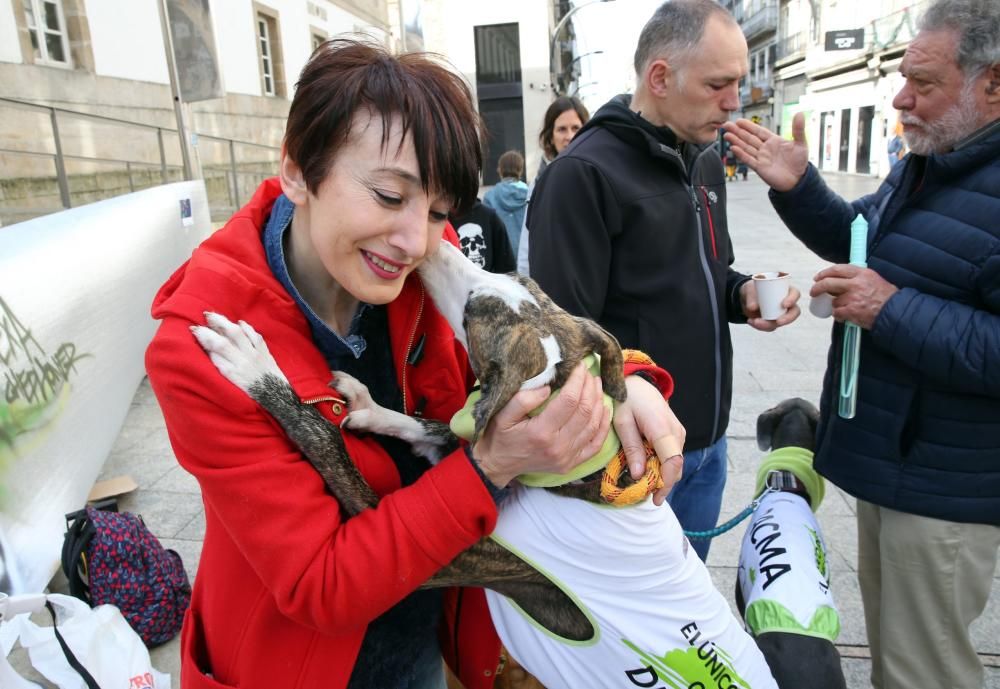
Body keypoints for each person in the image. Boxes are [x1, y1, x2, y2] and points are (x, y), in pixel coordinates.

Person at [144, 39, 684, 689]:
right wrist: (492, 465)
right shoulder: (200, 346)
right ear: (296, 171)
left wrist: (624, 383)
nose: (415, 241)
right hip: (300, 663)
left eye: (436, 210)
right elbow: (323, 585)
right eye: (387, 194)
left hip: (435, 636)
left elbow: (531, 331)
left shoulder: (419, 247)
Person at [723, 0, 1000, 686]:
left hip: (944, 488)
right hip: (896, 467)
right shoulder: (932, 162)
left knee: (922, 672)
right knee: (897, 665)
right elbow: (864, 240)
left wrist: (890, 308)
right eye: (904, 78)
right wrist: (800, 187)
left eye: (924, 84)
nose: (902, 99)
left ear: (993, 84)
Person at [527, 0, 801, 562]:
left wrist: (740, 292)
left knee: (682, 624)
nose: (734, 101)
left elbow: (703, 271)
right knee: (636, 635)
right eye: (718, 84)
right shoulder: (581, 174)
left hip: (710, 443)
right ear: (660, 77)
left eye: (739, 83)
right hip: (635, 457)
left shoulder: (701, 160)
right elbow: (564, 335)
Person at [516, 96, 590, 275]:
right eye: (562, 129)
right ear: (550, 137)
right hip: (554, 281)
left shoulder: (598, 176)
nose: (570, 136)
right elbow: (528, 240)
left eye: (576, 128)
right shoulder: (540, 182)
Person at [449, 199, 516, 273]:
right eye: (465, 241)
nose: (473, 248)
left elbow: (507, 267)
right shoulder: (441, 219)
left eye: (478, 241)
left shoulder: (489, 217)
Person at [482, 150, 528, 256]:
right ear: (520, 169)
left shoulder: (490, 196)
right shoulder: (531, 194)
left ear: (500, 169)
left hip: (501, 256)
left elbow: (487, 232)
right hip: (527, 255)